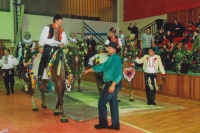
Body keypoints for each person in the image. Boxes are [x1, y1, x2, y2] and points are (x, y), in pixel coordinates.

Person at [83, 42, 122, 130]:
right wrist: (89, 70)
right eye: (107, 48)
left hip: (112, 84)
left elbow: (118, 73)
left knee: (101, 103)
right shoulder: (111, 58)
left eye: (109, 48)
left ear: (114, 49)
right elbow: (102, 66)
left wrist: (112, 85)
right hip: (112, 83)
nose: (107, 49)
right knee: (113, 103)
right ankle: (115, 125)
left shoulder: (116, 58)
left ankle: (103, 123)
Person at [37, 14, 67, 82]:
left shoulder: (62, 30)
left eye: (62, 20)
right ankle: (40, 75)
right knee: (44, 58)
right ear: (56, 20)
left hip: (57, 47)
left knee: (65, 58)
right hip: (48, 47)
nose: (61, 22)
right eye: (60, 20)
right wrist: (41, 46)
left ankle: (65, 74)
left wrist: (62, 43)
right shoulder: (47, 27)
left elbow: (64, 40)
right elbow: (43, 37)